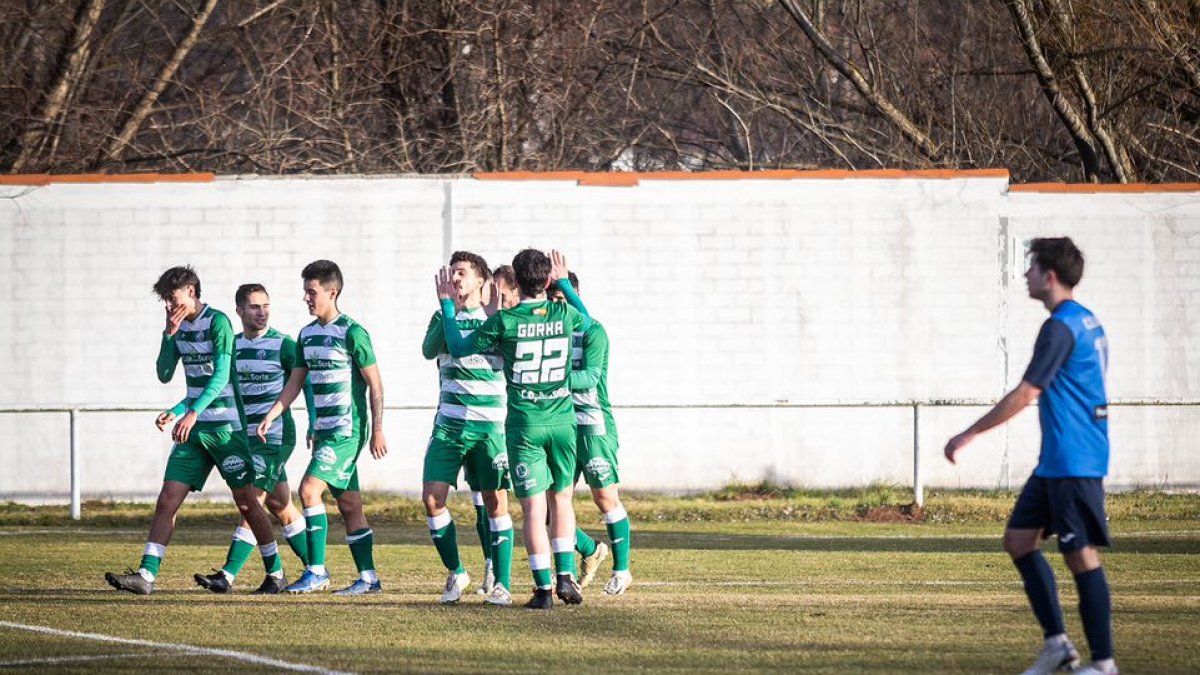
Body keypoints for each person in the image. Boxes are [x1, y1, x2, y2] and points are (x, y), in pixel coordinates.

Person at [945, 237, 1115, 675]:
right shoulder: (1087, 320)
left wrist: (969, 434)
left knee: (1080, 555)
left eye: (1032, 267)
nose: (1026, 274)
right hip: (1057, 461)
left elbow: (1026, 393)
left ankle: (1104, 664)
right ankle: (1057, 645)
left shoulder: (1060, 327)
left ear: (1049, 275)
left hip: (1075, 461)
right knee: (1019, 540)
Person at [105, 267, 285, 595]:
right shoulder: (178, 328)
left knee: (247, 503)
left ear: (191, 291)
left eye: (171, 298)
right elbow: (164, 374)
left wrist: (190, 413)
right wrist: (168, 335)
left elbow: (220, 377)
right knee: (167, 499)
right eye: (165, 301)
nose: (168, 305)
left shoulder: (218, 322)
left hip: (227, 430)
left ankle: (276, 573)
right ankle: (146, 575)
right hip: (194, 430)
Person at [436, 249, 588, 609]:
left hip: (525, 425)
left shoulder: (505, 320)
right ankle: (566, 576)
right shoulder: (564, 313)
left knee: (534, 508)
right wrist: (565, 284)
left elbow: (457, 347)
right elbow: (589, 322)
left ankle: (543, 590)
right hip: (563, 421)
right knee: (561, 500)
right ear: (547, 281)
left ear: (515, 282)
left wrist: (446, 306)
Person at [257, 260, 387, 595]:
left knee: (309, 490)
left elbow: (375, 384)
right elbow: (295, 382)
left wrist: (377, 430)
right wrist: (273, 414)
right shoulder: (307, 334)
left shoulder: (352, 332)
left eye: (311, 292)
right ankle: (369, 578)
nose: (306, 298)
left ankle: (315, 572)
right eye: (305, 291)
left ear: (332, 292)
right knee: (350, 505)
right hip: (326, 432)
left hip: (347, 432)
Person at [194, 283, 312, 594]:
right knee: (280, 505)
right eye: (255, 307)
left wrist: (314, 421)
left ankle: (229, 575)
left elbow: (305, 384)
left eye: (266, 306)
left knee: (251, 500)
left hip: (274, 437)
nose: (262, 312)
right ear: (240, 311)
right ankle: (316, 568)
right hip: (244, 438)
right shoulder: (232, 346)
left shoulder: (284, 345)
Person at [421, 251, 514, 606]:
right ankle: (457, 571)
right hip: (448, 427)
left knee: (495, 502)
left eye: (462, 273)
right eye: (452, 273)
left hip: (489, 429)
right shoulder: (442, 315)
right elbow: (429, 350)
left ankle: (502, 584)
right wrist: (448, 309)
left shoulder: (497, 319)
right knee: (432, 500)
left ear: (480, 280)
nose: (455, 279)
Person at [550, 272, 633, 595]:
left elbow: (589, 377)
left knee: (605, 498)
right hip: (562, 427)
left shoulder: (593, 332)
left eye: (562, 299)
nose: (556, 306)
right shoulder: (549, 333)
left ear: (574, 299)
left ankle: (622, 570)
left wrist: (549, 377)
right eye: (552, 299)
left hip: (594, 426)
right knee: (552, 506)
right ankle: (585, 553)